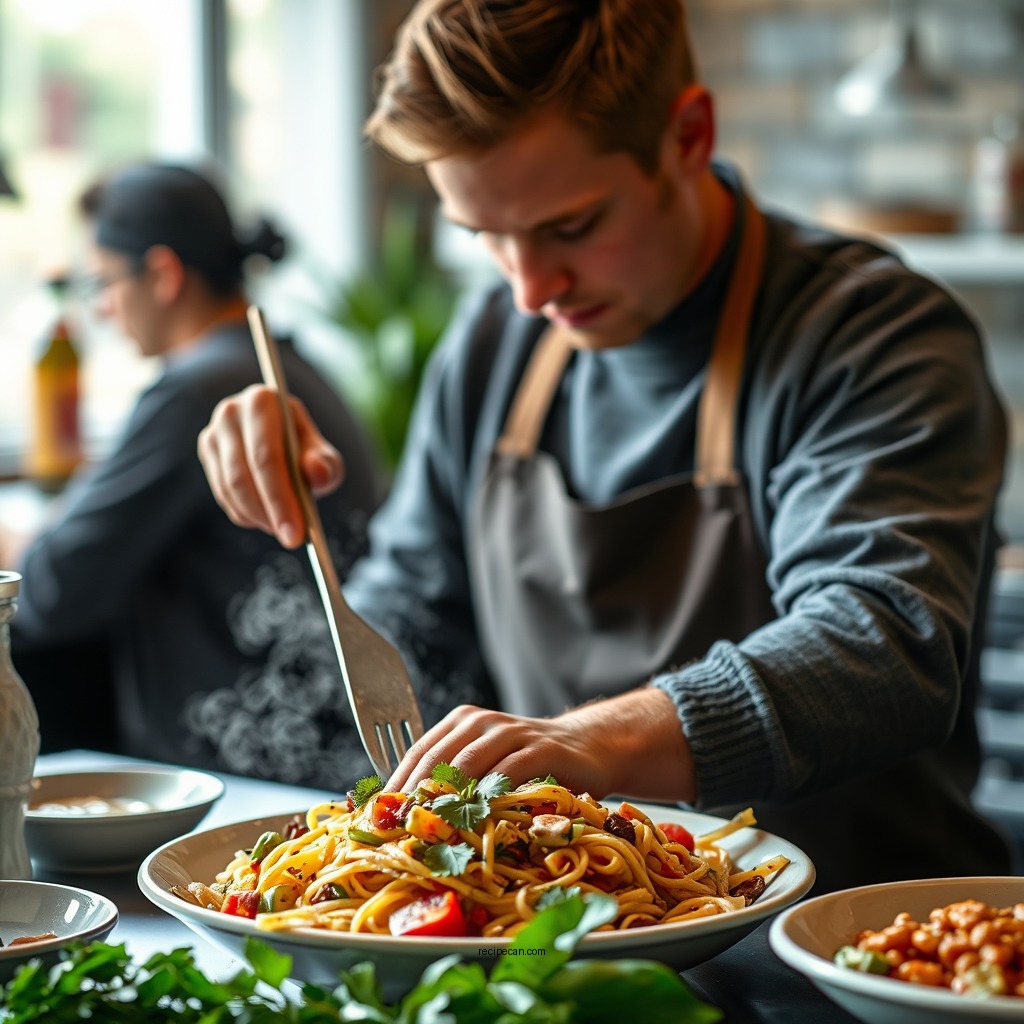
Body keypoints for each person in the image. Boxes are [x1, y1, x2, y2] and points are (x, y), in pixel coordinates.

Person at [196, 0, 1013, 892]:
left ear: (689, 135)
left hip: (850, 945)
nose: (529, 290)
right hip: (565, 947)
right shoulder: (491, 348)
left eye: (571, 227)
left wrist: (591, 741)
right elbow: (419, 627)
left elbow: (882, 642)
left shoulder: (870, 334)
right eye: (485, 237)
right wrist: (302, 521)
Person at [0, 162, 383, 787]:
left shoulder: (197, 388)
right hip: (339, 742)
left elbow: (47, 592)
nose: (99, 309)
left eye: (103, 283)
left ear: (163, 274)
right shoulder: (281, 363)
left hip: (255, 768)